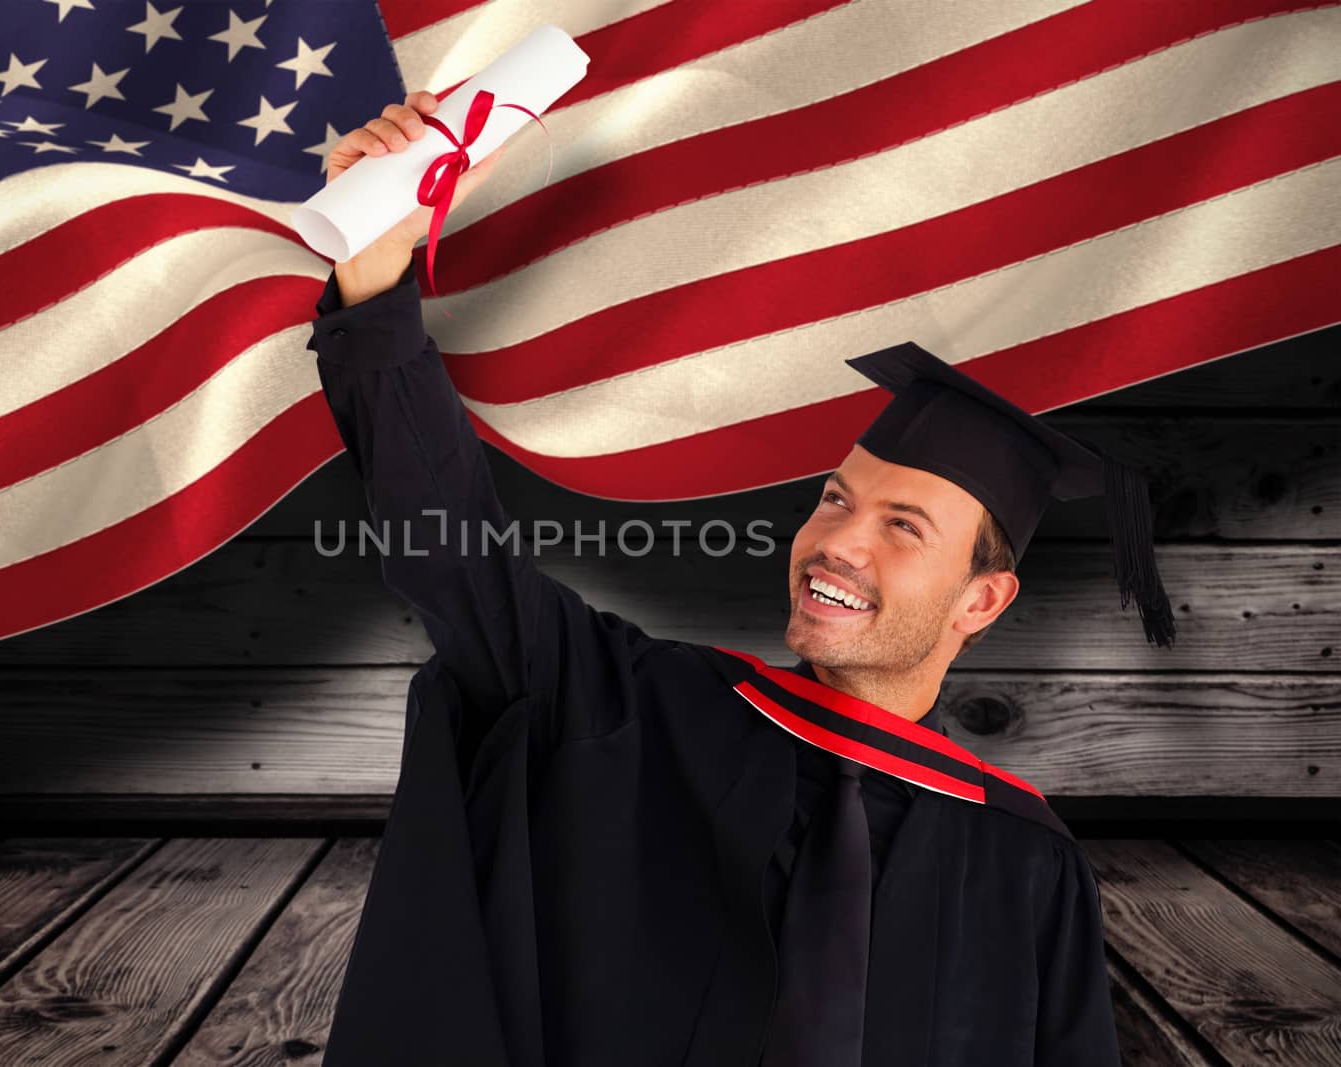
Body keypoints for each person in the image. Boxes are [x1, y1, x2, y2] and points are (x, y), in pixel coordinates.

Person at [308, 90, 1150, 1067]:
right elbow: (448, 553)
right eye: (834, 499)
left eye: (901, 524)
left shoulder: (1027, 862)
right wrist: (374, 284)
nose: (838, 540)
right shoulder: (631, 710)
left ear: (982, 599)